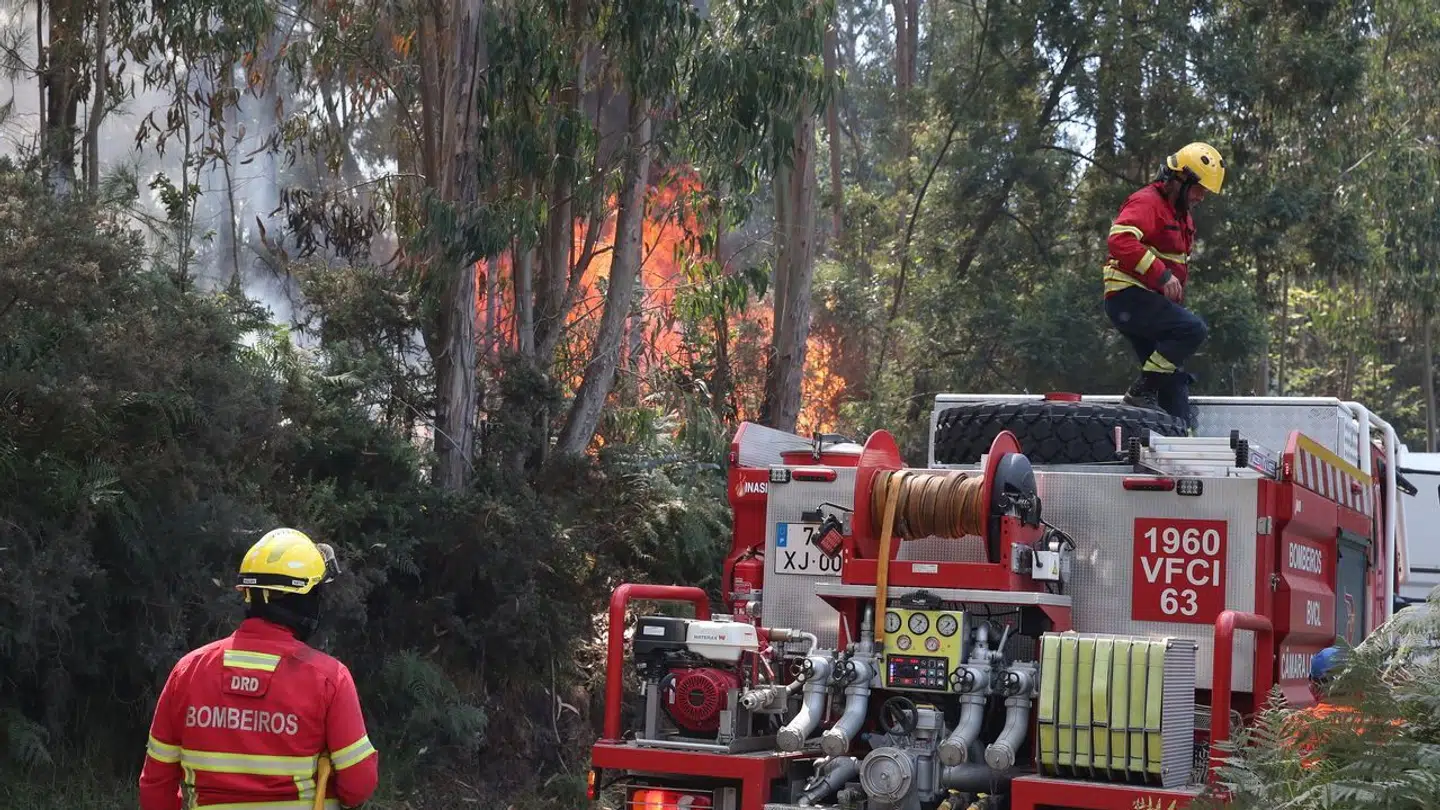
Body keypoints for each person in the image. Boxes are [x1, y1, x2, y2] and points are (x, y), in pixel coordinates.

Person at [139, 528, 379, 810]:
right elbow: (358, 786)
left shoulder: (188, 672)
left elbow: (156, 785)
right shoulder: (329, 679)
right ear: (305, 598)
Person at [1102, 142, 1226, 431]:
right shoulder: (1147, 202)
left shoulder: (1181, 215)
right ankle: (1139, 393)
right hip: (1127, 296)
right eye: (1198, 189)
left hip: (1146, 299)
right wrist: (1161, 275)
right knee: (1192, 329)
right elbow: (1119, 240)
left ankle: (1176, 439)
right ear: (1179, 180)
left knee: (1173, 388)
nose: (1201, 197)